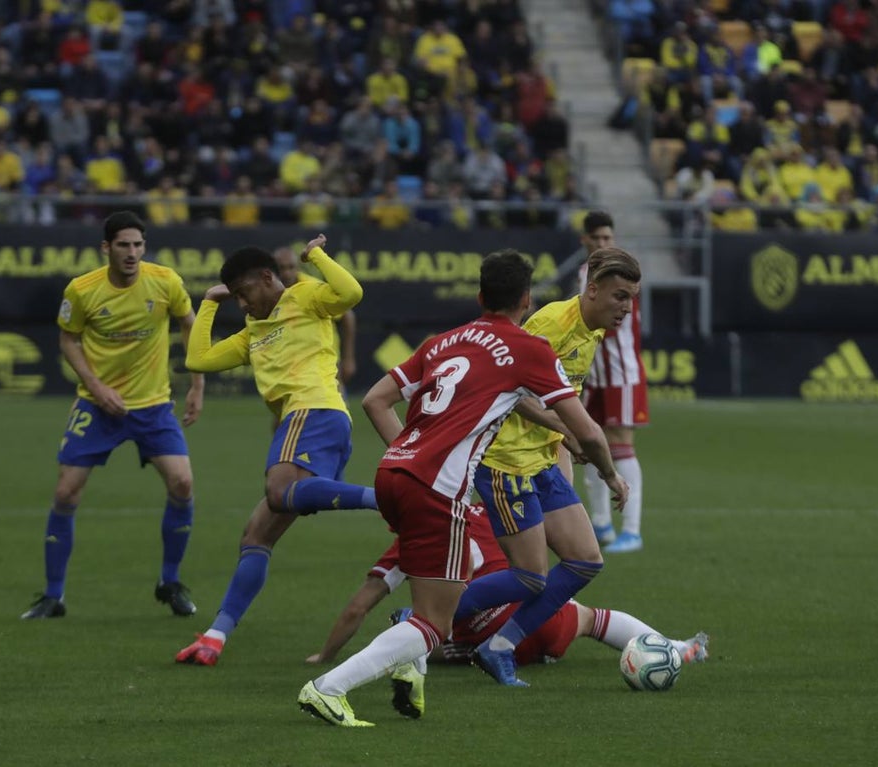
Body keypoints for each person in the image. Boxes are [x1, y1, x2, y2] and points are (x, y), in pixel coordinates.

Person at [297, 249, 628, 727]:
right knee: (436, 622)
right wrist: (610, 474)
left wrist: (408, 454)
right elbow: (592, 433)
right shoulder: (529, 347)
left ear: (479, 296)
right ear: (527, 300)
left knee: (431, 603)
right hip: (437, 490)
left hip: (393, 473)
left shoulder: (443, 341)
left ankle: (409, 674)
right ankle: (328, 689)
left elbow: (374, 400)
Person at [175, 235, 377, 666]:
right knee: (256, 535)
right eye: (236, 298)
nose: (242, 304)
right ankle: (214, 637)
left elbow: (351, 293)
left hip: (314, 411)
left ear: (267, 277)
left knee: (278, 490)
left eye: (244, 293)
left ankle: (389, 498)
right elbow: (199, 359)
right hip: (310, 423)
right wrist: (209, 304)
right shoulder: (252, 333)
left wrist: (317, 255)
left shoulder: (305, 296)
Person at [459, 246, 643, 687]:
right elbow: (509, 391)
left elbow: (558, 396)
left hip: (540, 459)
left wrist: (561, 436)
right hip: (505, 461)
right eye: (619, 296)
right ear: (592, 290)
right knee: (531, 578)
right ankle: (423, 615)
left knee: (585, 561)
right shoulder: (549, 326)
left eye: (632, 299)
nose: (626, 308)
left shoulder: (592, 330)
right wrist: (596, 459)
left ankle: (498, 646)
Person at [21, 211, 204, 619]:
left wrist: (197, 384)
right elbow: (68, 340)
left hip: (153, 406)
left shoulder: (165, 281)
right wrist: (96, 387)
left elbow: (189, 323)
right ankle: (53, 596)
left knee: (183, 483)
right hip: (97, 406)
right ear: (106, 248)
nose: (132, 253)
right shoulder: (82, 290)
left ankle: (170, 582)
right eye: (123, 245)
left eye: (138, 245)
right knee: (66, 492)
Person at [305, 506, 708, 672]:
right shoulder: (486, 509)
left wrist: (326, 654)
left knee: (423, 627)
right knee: (590, 618)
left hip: (484, 633)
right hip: (543, 617)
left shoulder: (407, 544)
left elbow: (358, 608)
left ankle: (449, 647)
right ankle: (675, 647)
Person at [578, 211, 649, 553]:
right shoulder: (585, 274)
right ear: (585, 241)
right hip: (593, 375)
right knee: (590, 446)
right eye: (597, 238)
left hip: (621, 374)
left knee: (621, 446)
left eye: (608, 237)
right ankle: (602, 524)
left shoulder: (622, 273)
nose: (603, 243)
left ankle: (632, 531)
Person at [273, 245, 357, 389]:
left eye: (291, 267)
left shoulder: (312, 287)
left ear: (297, 267)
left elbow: (347, 315)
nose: (286, 273)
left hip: (324, 356)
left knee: (334, 398)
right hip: (290, 359)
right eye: (281, 268)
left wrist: (348, 358)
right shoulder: (270, 293)